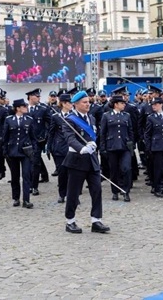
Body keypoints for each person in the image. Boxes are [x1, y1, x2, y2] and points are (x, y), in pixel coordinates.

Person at [62, 90, 110, 234]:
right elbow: (70, 138)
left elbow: (94, 135)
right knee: (74, 192)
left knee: (97, 190)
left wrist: (94, 144)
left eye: (88, 102)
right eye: (84, 102)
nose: (88, 104)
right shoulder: (70, 120)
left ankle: (96, 220)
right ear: (76, 104)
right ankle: (70, 221)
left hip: (92, 160)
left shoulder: (91, 118)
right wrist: (82, 148)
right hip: (77, 160)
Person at [2, 99, 35, 209]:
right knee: (15, 176)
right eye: (23, 106)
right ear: (18, 108)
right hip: (13, 151)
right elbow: (5, 136)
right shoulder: (9, 120)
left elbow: (33, 137)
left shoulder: (29, 120)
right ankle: (16, 198)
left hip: (25, 151)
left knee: (26, 175)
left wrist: (33, 150)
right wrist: (5, 150)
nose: (26, 108)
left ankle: (26, 200)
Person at [100, 95, 134, 202]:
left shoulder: (126, 115)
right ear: (116, 104)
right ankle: (115, 191)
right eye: (122, 103)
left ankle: (126, 191)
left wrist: (131, 144)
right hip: (112, 146)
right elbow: (103, 133)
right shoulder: (106, 116)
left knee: (126, 168)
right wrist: (103, 147)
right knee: (114, 171)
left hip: (124, 146)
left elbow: (130, 131)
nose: (124, 105)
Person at [144, 97, 163, 198]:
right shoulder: (151, 117)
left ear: (161, 105)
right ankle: (157, 188)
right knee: (158, 169)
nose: (154, 106)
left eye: (156, 104)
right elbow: (147, 134)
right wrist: (148, 147)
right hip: (156, 146)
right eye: (152, 105)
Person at [46, 92, 74, 203]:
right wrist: (49, 147)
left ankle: (73, 195)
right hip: (59, 148)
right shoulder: (56, 117)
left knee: (72, 173)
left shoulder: (75, 116)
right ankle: (62, 194)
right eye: (69, 103)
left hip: (72, 147)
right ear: (63, 103)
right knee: (62, 172)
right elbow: (51, 132)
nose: (71, 104)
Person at [26, 88, 52, 195]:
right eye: (36, 96)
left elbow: (50, 123)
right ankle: (28, 184)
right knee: (27, 164)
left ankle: (34, 186)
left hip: (38, 140)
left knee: (35, 163)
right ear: (30, 97)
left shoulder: (43, 109)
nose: (39, 98)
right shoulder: (24, 108)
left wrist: (46, 135)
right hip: (26, 140)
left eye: (39, 96)